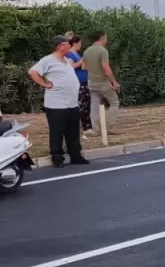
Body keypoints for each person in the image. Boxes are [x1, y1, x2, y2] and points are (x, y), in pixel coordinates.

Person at [28, 36, 88, 167]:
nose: (69, 46)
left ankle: (76, 155)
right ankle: (57, 157)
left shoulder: (66, 60)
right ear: (59, 46)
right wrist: (45, 84)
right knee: (57, 131)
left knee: (73, 131)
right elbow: (32, 72)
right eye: (67, 44)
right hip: (56, 104)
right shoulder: (48, 60)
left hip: (72, 103)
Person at [83, 31, 120, 137]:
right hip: (103, 82)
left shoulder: (87, 51)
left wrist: (93, 71)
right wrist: (114, 82)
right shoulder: (102, 51)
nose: (106, 40)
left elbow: (84, 67)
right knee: (114, 102)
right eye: (106, 37)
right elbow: (105, 68)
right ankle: (108, 125)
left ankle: (96, 130)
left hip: (91, 82)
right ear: (101, 38)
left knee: (94, 106)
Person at [64, 33, 93, 133]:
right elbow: (70, 67)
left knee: (87, 103)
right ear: (74, 43)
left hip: (84, 81)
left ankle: (87, 126)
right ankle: (77, 126)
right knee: (80, 104)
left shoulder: (77, 54)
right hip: (77, 82)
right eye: (80, 43)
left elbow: (82, 66)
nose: (81, 45)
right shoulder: (69, 54)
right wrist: (80, 62)